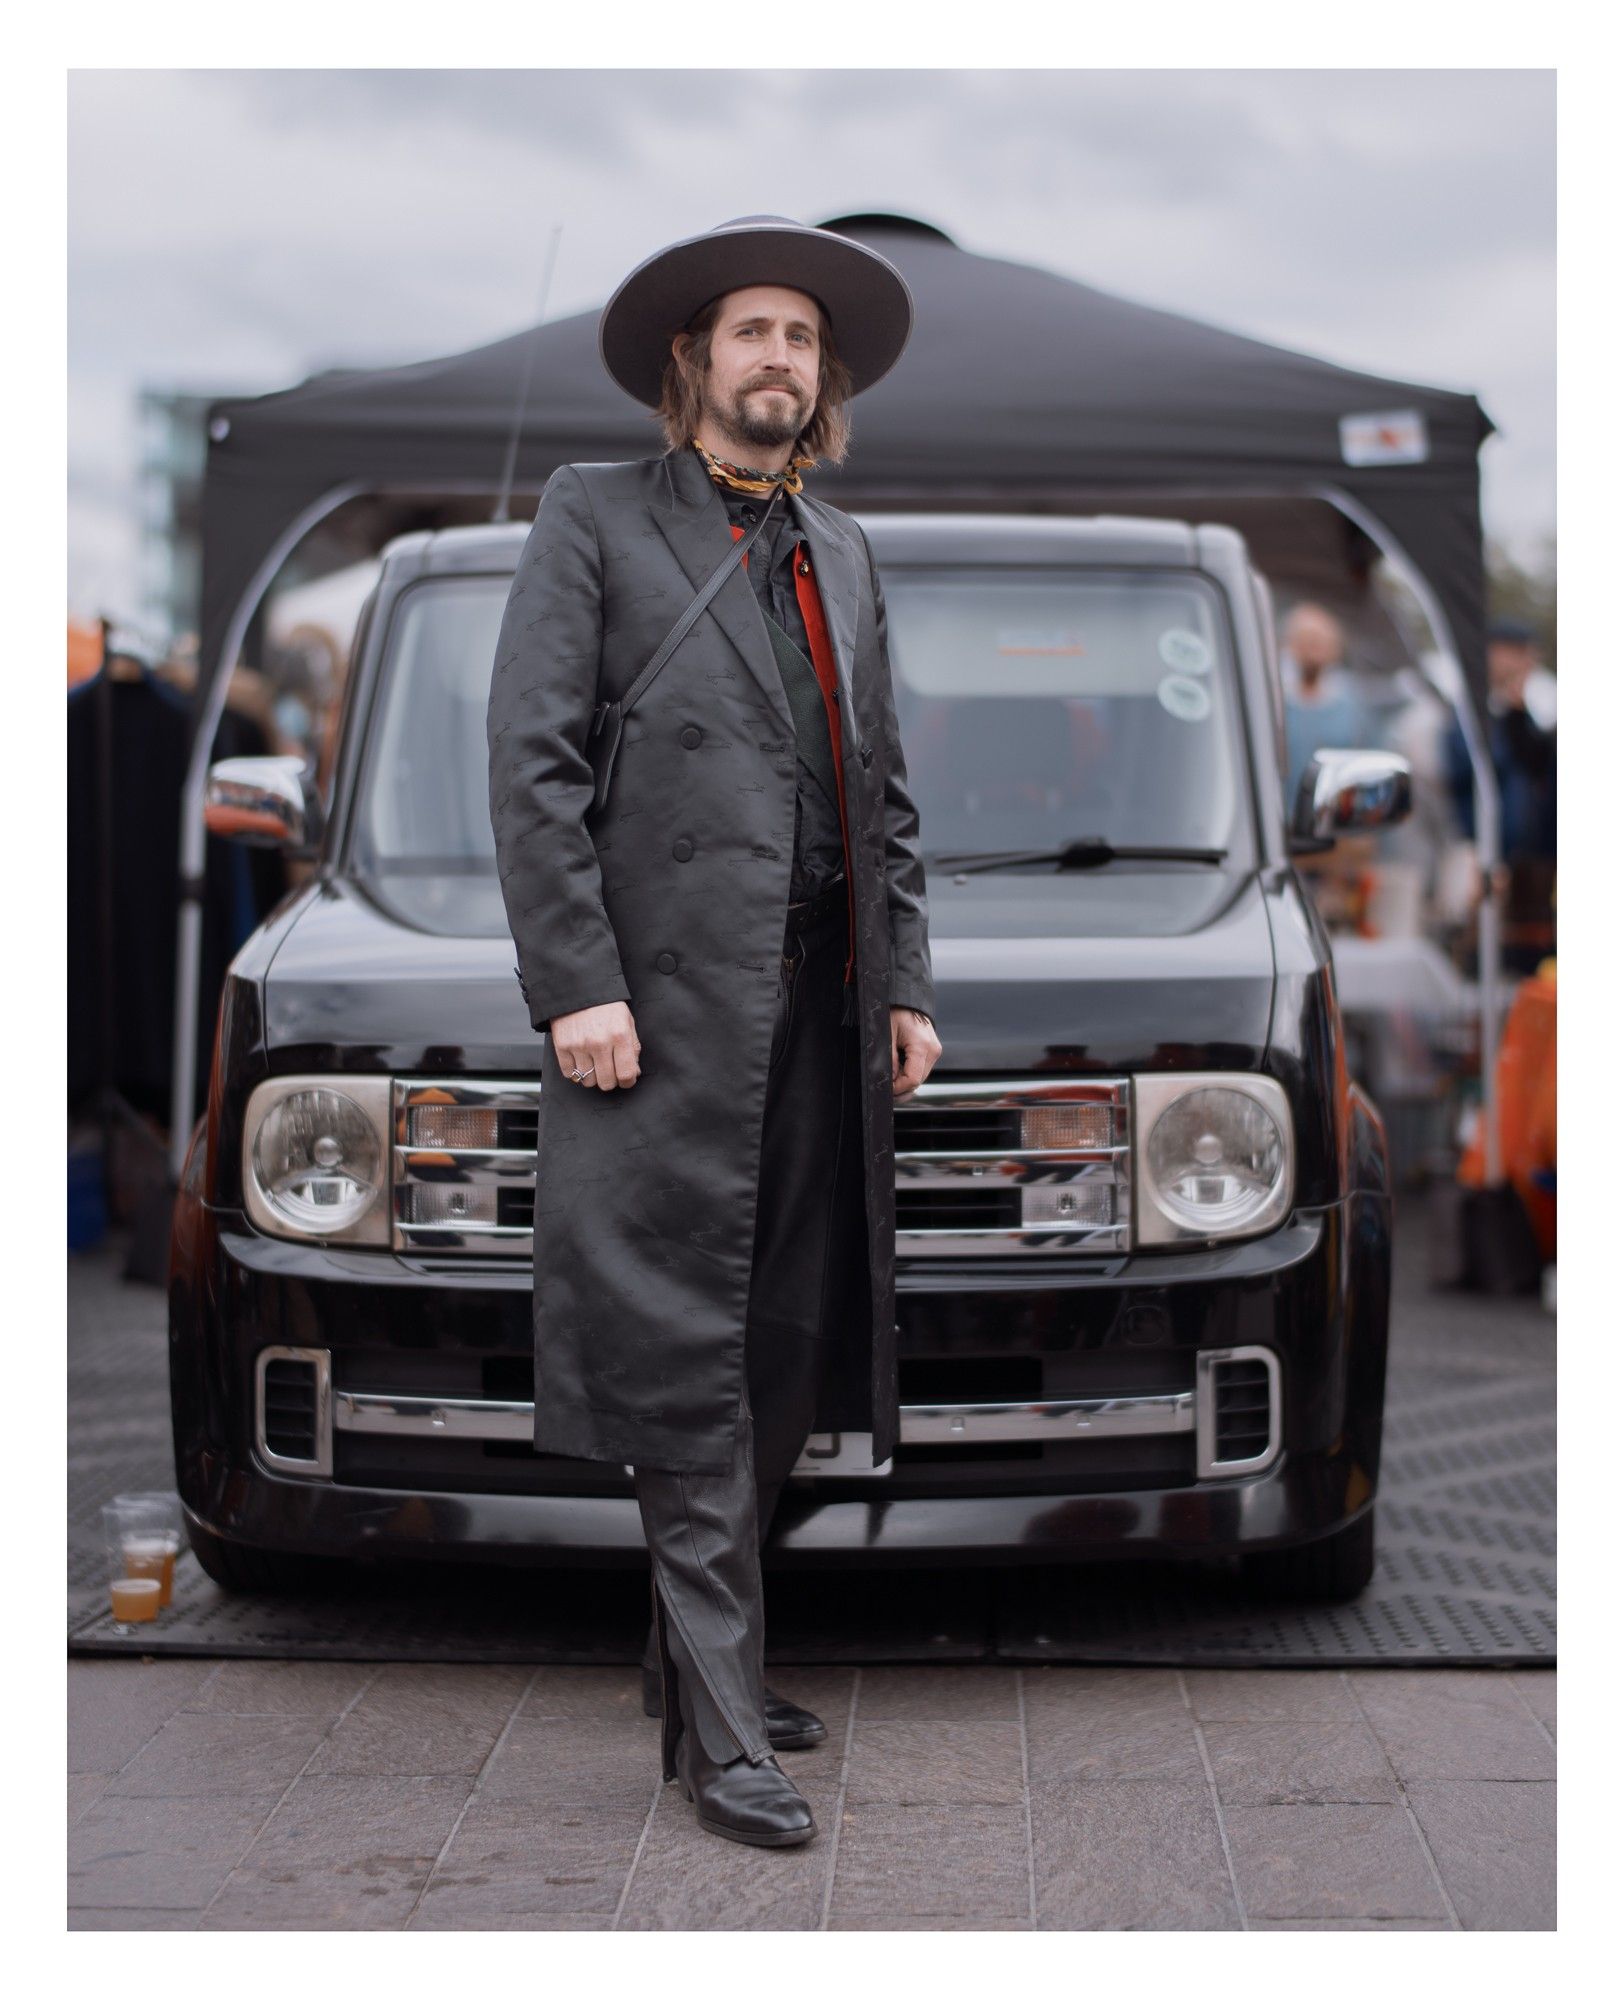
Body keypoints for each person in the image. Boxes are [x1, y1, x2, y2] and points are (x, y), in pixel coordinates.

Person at [486, 215, 942, 1848]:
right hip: (659, 1015)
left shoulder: (848, 549)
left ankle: (698, 1665)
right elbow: (530, 766)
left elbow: (882, 795)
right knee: (682, 1350)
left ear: (820, 382)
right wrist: (575, 983)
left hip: (816, 1014)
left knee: (777, 1352)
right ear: (694, 360)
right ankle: (720, 1722)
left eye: (800, 339)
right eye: (750, 331)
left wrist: (901, 984)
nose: (776, 360)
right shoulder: (595, 517)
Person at [1441, 615, 1557, 975]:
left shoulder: (1539, 706)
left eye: (1523, 653)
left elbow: (1537, 764)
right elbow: (1464, 771)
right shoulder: (1465, 707)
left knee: (1527, 954)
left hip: (1531, 862)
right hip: (1480, 848)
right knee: (1478, 950)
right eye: (1510, 652)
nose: (1519, 661)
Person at [1279, 600, 1385, 807]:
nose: (1313, 649)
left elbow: (1371, 767)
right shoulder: (1275, 704)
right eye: (1307, 640)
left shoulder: (1354, 705)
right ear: (1290, 644)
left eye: (1320, 641)